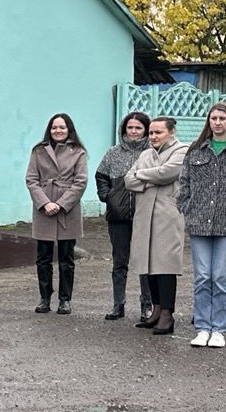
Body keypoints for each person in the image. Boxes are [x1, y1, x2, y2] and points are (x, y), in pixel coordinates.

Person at [124, 117, 187, 335]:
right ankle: (156, 310)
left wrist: (142, 175)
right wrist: (151, 178)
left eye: (158, 132)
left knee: (165, 264)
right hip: (144, 215)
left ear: (171, 132)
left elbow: (168, 173)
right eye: (151, 133)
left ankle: (168, 314)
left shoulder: (182, 150)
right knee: (148, 262)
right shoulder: (145, 154)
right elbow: (128, 181)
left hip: (167, 215)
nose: (153, 137)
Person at [25, 113, 89, 315]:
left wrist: (61, 204)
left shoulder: (77, 152)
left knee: (66, 258)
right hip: (43, 208)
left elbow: (80, 182)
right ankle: (44, 298)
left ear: (69, 129)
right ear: (49, 130)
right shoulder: (38, 151)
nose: (58, 131)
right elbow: (31, 180)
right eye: (54, 127)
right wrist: (45, 203)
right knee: (43, 257)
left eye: (62, 127)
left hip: (67, 210)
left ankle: (65, 300)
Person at [94, 111, 153, 321]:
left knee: (145, 261)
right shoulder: (113, 153)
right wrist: (107, 196)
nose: (134, 131)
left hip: (145, 214)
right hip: (118, 216)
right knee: (119, 261)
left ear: (145, 129)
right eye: (130, 127)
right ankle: (118, 304)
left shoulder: (152, 152)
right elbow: (100, 175)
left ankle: (147, 304)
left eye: (138, 128)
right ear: (124, 129)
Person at [177, 103, 226, 348]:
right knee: (202, 277)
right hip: (199, 223)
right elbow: (184, 182)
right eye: (214, 118)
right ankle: (202, 328)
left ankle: (218, 328)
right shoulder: (196, 150)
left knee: (220, 277)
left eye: (222, 118)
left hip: (225, 225)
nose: (217, 122)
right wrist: (185, 206)